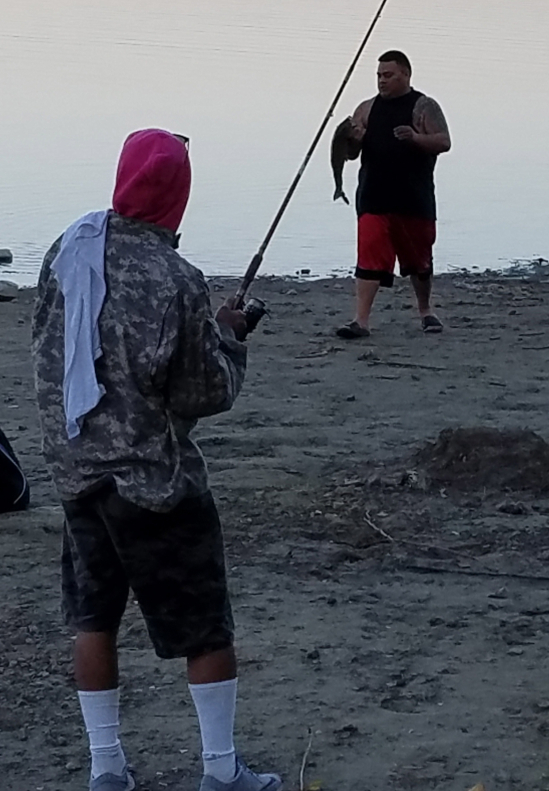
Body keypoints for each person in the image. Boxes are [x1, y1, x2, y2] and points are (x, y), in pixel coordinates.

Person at [31, 128, 282, 791]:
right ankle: (221, 771)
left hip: (78, 472)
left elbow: (44, 351)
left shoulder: (67, 248)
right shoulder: (176, 278)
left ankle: (106, 767)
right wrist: (229, 341)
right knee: (204, 627)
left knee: (93, 617)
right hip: (154, 483)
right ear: (178, 195)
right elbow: (204, 391)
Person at [331, 50, 451, 338]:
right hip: (373, 195)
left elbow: (444, 142)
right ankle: (361, 320)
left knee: (419, 261)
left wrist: (416, 137)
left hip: (414, 196)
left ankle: (426, 311)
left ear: (406, 75)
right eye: (379, 76)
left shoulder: (423, 106)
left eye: (388, 75)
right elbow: (350, 154)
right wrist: (352, 142)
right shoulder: (366, 109)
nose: (382, 81)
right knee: (369, 258)